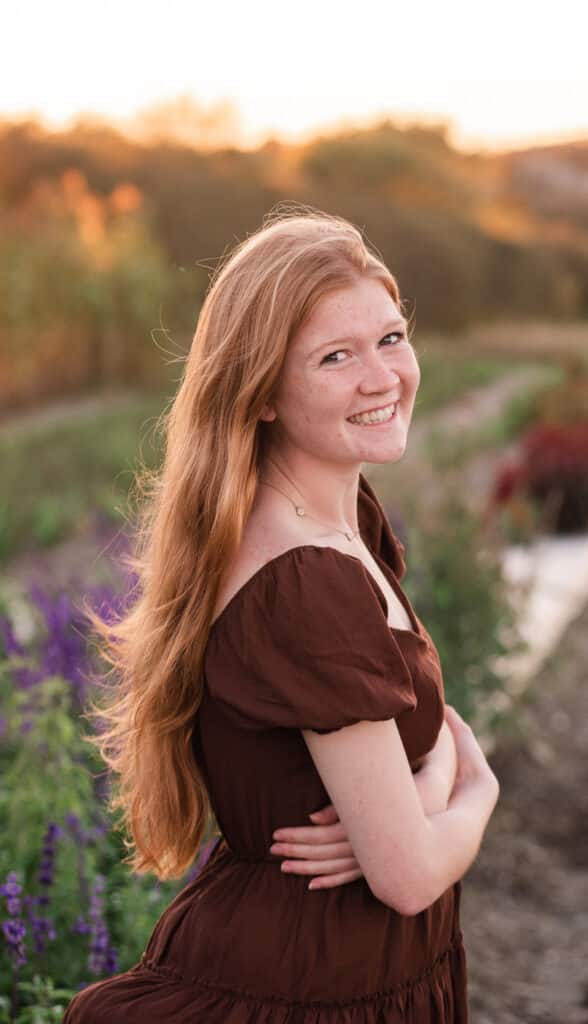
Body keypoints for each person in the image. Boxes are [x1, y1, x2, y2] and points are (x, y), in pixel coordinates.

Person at [63, 205, 500, 1023]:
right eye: (336, 357)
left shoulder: (341, 521)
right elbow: (406, 877)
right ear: (261, 393)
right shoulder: (305, 582)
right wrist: (478, 789)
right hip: (307, 986)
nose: (382, 377)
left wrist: (423, 790)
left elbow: (412, 731)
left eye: (391, 338)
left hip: (345, 967)